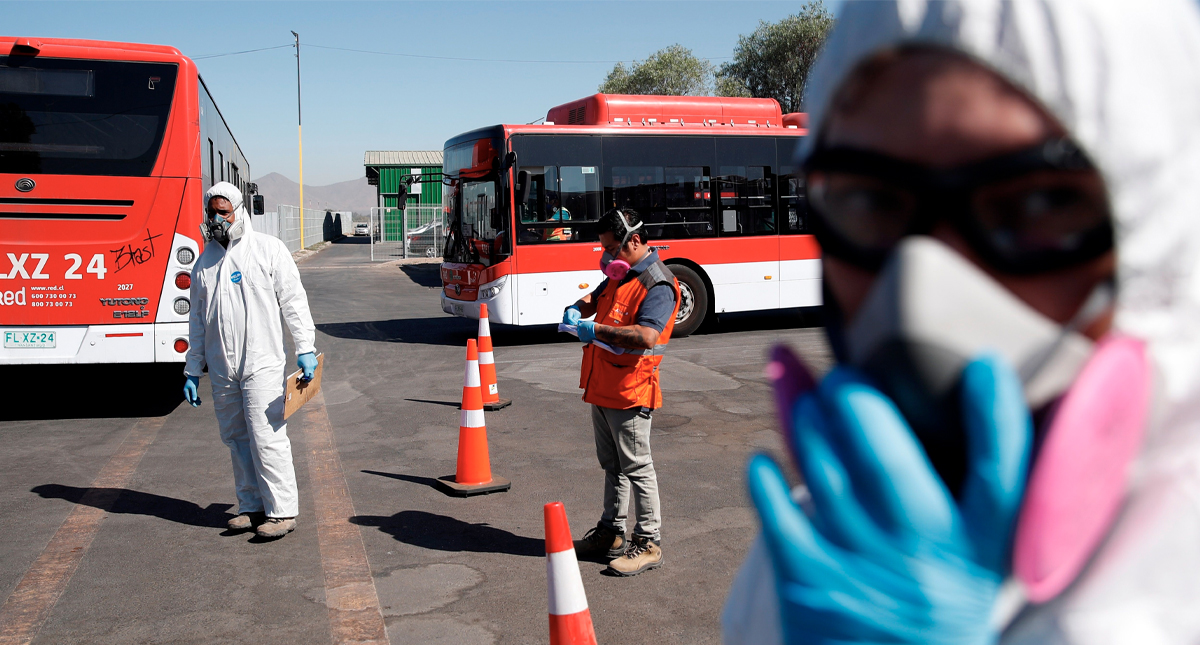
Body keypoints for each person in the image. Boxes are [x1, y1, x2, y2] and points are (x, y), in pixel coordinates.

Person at [722, 0, 1200, 643]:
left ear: (1155, 235)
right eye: (867, 199)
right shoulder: (816, 560)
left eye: (1038, 201)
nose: (919, 292)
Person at [182, 182, 318, 540]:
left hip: (262, 362)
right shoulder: (204, 262)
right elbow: (197, 319)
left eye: (223, 212)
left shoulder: (268, 250)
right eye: (211, 212)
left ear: (239, 212)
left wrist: (305, 347)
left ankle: (282, 511)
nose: (216, 219)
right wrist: (193, 368)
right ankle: (251, 505)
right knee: (236, 437)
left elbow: (293, 301)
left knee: (266, 436)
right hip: (222, 366)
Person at [563, 208, 680, 576]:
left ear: (635, 240)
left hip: (631, 391)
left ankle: (649, 542)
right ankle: (611, 533)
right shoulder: (621, 274)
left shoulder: (658, 284)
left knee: (637, 468)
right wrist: (575, 309)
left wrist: (595, 330)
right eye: (604, 249)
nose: (607, 256)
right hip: (603, 387)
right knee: (612, 466)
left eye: (612, 248)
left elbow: (646, 335)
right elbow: (594, 299)